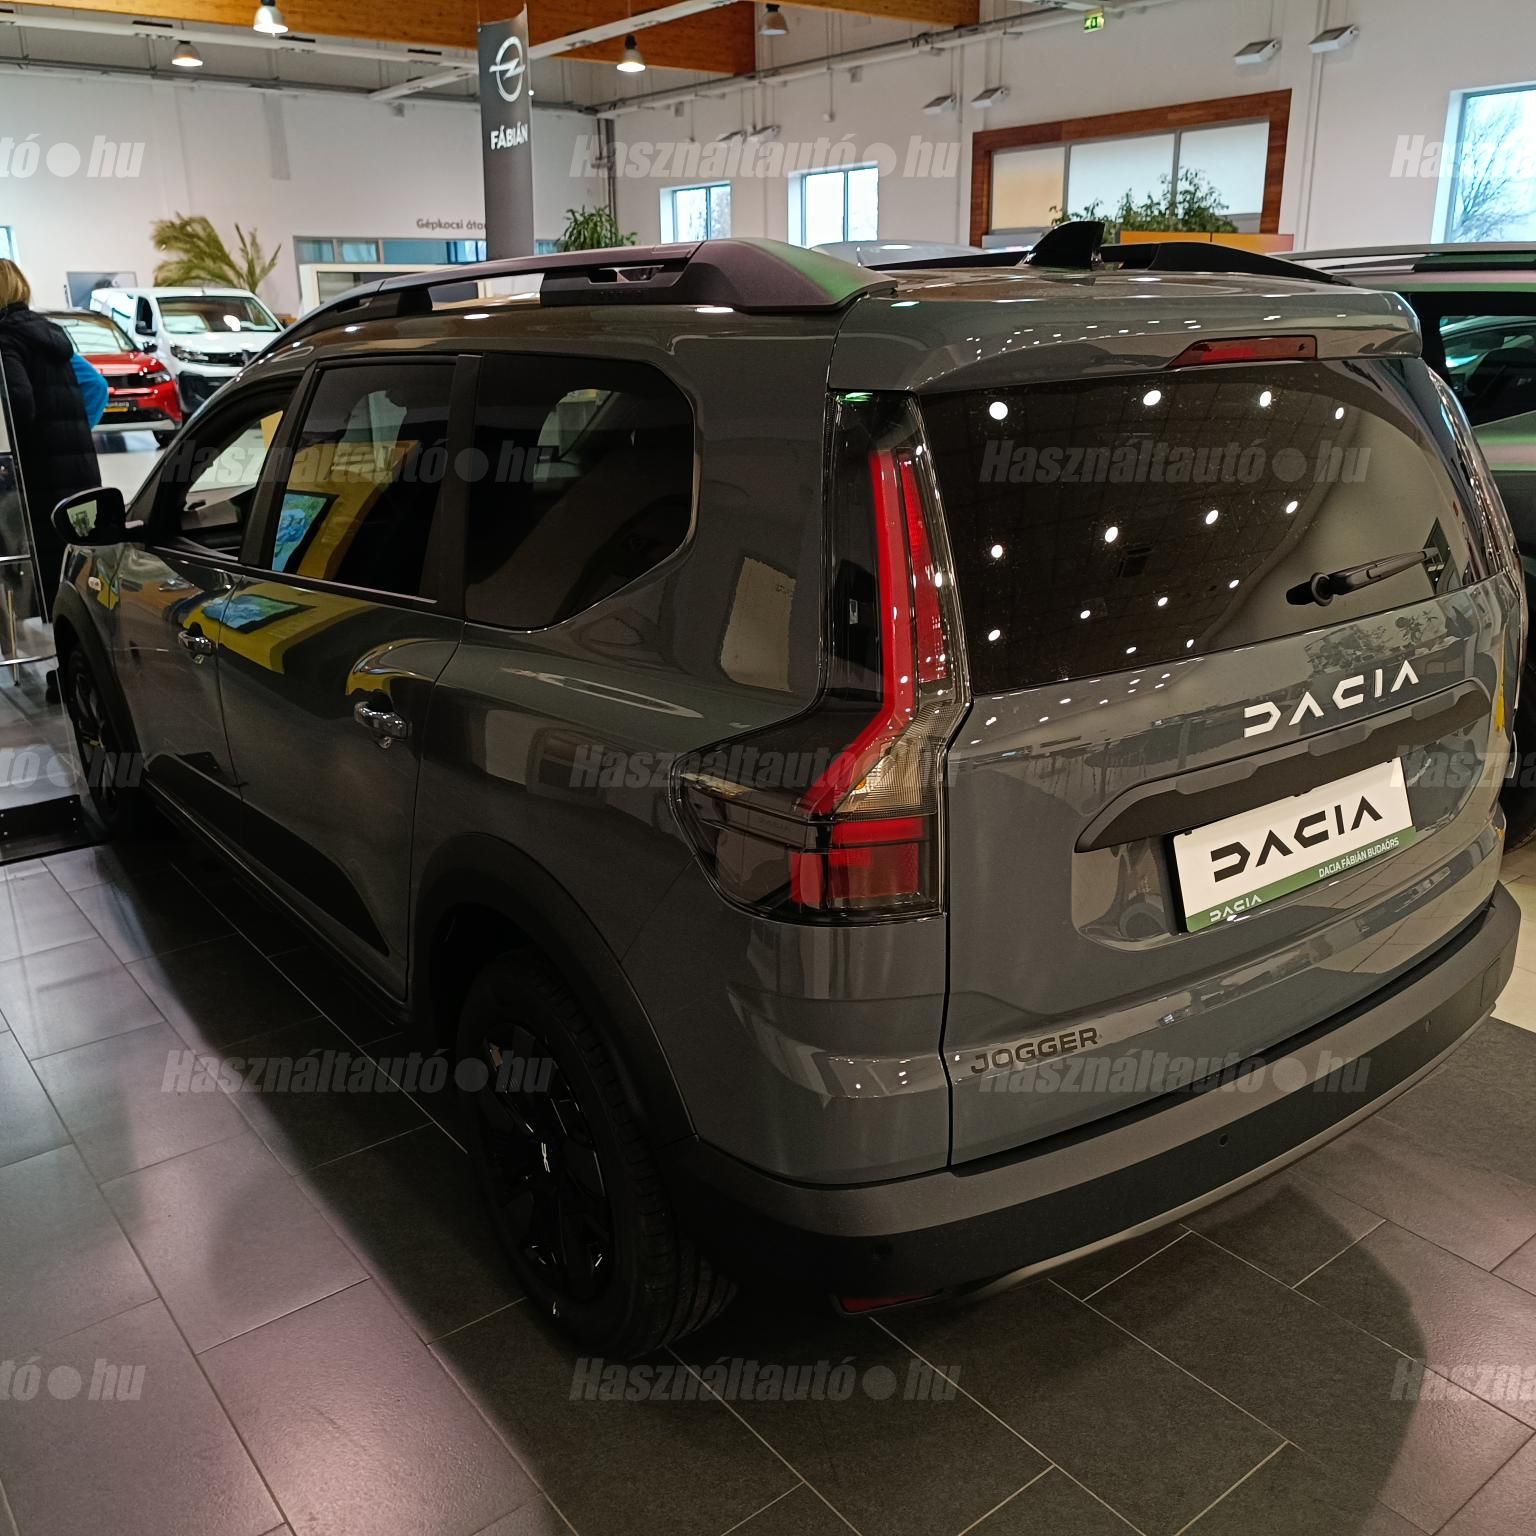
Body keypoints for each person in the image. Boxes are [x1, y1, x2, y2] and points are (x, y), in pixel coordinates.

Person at [0, 258, 100, 609]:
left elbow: (17, 402)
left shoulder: (6, 338)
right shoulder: (49, 334)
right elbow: (94, 385)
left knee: (44, 564)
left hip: (37, 470)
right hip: (75, 467)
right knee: (74, 560)